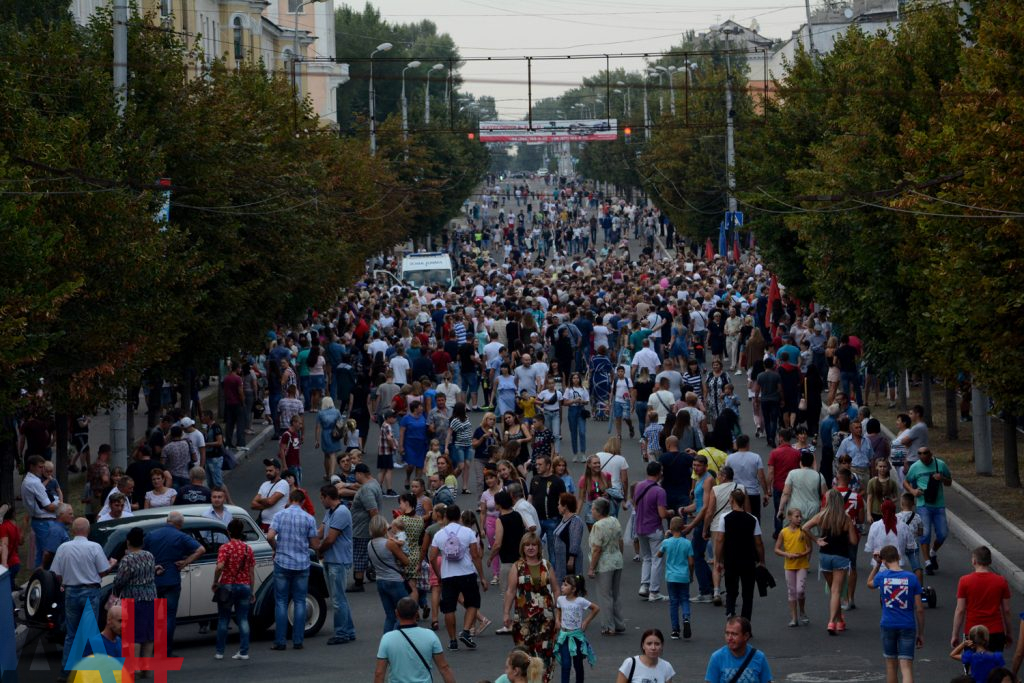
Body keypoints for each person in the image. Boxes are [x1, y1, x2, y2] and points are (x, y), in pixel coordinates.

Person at [51, 517, 117, 675]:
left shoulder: (63, 548)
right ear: (88, 530)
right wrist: (112, 565)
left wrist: (65, 583)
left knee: (71, 633)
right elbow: (103, 571)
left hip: (70, 592)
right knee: (90, 631)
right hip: (90, 591)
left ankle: (66, 671)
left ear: (73, 530)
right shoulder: (94, 547)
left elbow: (56, 573)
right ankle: (92, 670)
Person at [428, 504, 488, 651]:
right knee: (473, 603)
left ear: (446, 517)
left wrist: (439, 574)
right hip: (466, 573)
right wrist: (482, 576)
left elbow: (432, 557)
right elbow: (475, 556)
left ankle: (453, 640)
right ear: (459, 518)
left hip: (448, 575)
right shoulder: (467, 532)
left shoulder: (439, 535)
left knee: (449, 609)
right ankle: (466, 631)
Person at [267, 489, 320, 651]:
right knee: (300, 601)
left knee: (281, 601)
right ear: (303, 502)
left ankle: (280, 641)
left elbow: (270, 536)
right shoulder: (309, 518)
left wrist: (277, 548)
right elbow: (315, 544)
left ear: (289, 499)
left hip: (282, 561)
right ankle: (298, 640)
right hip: (302, 563)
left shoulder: (279, 516)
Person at [144, 510, 204, 653]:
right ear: (180, 524)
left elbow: (143, 554)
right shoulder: (181, 536)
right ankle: (165, 650)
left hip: (155, 580)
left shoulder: (152, 535)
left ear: (167, 520)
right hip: (172, 580)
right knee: (169, 616)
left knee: (155, 615)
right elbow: (201, 549)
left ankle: (152, 648)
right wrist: (185, 562)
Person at [867, 545, 925, 683]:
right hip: (907, 625)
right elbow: (920, 609)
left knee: (891, 666)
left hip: (888, 624)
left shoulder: (882, 576)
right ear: (899, 557)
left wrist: (877, 565)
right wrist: (921, 633)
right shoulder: (911, 578)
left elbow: (869, 583)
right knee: (906, 667)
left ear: (884, 560)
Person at [803, 489, 857, 635]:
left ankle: (840, 620)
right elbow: (853, 540)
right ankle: (832, 621)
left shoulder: (822, 516)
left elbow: (805, 527)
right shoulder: (845, 518)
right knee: (836, 591)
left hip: (825, 556)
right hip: (841, 556)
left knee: (833, 589)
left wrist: (816, 540)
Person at [503, 533, 559, 674]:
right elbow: (510, 591)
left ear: (539, 547)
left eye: (534, 545)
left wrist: (559, 614)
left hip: (546, 618)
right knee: (524, 655)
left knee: (545, 653)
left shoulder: (547, 565)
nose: (530, 548)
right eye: (527, 545)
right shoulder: (517, 566)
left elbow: (556, 590)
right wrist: (506, 613)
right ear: (523, 547)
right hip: (523, 619)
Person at [373, 597, 457, 683]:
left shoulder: (387, 638)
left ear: (397, 613)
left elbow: (379, 673)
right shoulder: (430, 635)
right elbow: (444, 668)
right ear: (417, 613)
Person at [952, 546, 1014, 653]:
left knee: (974, 665)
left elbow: (960, 610)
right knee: (994, 666)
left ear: (974, 561)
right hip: (996, 630)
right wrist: (1008, 633)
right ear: (989, 561)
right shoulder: (1001, 581)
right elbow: (1006, 610)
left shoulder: (964, 581)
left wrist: (955, 634)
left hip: (973, 631)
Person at [716, 489, 766, 622]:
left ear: (731, 501)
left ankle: (730, 611)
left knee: (731, 588)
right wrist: (762, 561)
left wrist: (718, 560)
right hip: (748, 560)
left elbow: (720, 539)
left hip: (731, 559)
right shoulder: (752, 519)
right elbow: (758, 542)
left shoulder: (724, 518)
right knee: (748, 593)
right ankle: (745, 621)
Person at [317, 484, 356, 645]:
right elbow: (320, 532)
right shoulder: (330, 512)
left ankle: (341, 632)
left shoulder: (341, 512)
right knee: (339, 598)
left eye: (321, 498)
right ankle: (349, 630)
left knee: (338, 599)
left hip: (338, 560)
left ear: (327, 497)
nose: (321, 501)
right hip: (332, 559)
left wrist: (319, 550)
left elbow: (330, 538)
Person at [903, 446, 951, 575]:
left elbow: (949, 482)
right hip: (923, 504)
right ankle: (927, 562)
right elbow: (906, 482)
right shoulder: (915, 467)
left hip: (938, 504)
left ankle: (933, 552)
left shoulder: (940, 465)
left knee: (943, 533)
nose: (922, 455)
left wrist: (942, 478)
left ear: (931, 453)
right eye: (919, 453)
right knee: (925, 533)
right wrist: (913, 491)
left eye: (925, 453)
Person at [213, 518, 255, 660]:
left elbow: (219, 567)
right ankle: (244, 652)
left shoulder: (225, 547)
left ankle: (220, 652)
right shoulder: (247, 549)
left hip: (227, 585)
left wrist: (215, 581)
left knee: (223, 619)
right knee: (243, 619)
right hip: (244, 586)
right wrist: (252, 590)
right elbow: (251, 572)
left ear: (228, 532)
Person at [587, 498, 625, 636]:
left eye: (593, 508)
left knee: (604, 596)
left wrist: (591, 567)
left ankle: (609, 626)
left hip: (604, 564)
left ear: (598, 511)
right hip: (616, 560)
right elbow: (620, 540)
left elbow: (597, 549)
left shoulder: (598, 526)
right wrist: (620, 555)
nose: (591, 511)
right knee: (615, 594)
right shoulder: (615, 520)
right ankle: (619, 623)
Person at [634, 461, 670, 602]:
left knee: (647, 557)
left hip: (640, 526)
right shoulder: (660, 491)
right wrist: (670, 512)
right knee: (657, 558)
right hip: (654, 528)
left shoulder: (639, 486)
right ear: (659, 473)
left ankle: (644, 585)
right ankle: (654, 591)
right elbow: (662, 513)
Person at [367, 515, 410, 633]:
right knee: (404, 614)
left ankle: (387, 640)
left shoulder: (370, 544)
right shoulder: (389, 544)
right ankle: (399, 639)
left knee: (390, 616)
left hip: (380, 580)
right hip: (394, 580)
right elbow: (406, 561)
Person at [553, 574, 598, 683]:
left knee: (578, 664)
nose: (562, 587)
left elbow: (596, 608)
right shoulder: (560, 599)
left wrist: (586, 621)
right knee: (566, 664)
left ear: (573, 589)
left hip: (577, 637)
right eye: (562, 584)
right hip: (564, 636)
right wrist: (557, 620)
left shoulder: (580, 601)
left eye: (565, 585)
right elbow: (558, 609)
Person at [703, 616, 773, 683]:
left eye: (734, 634)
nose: (729, 638)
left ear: (746, 636)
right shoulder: (717, 658)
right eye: (727, 633)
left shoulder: (759, 657)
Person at [658, 516, 695, 640]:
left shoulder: (667, 542)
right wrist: (691, 574)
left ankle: (675, 630)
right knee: (685, 599)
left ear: (670, 528)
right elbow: (691, 562)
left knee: (673, 602)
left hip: (671, 576)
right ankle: (686, 617)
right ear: (683, 527)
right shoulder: (687, 543)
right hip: (683, 575)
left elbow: (659, 554)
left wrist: (665, 537)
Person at [774, 508, 811, 627]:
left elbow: (809, 548)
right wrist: (787, 554)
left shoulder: (803, 531)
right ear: (789, 518)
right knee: (792, 591)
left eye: (800, 516)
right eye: (796, 516)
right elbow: (777, 549)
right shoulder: (784, 532)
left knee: (800, 590)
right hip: (789, 565)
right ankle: (794, 618)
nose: (799, 519)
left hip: (802, 565)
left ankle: (802, 611)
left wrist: (803, 554)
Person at [350, 462, 383, 592]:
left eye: (355, 475)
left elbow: (373, 510)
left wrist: (376, 528)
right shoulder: (373, 483)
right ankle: (370, 572)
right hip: (366, 526)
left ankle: (358, 583)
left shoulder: (366, 489)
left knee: (359, 554)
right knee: (368, 553)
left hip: (362, 529)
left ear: (359, 474)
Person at [21, 455, 58, 568]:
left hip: (39, 520)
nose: (42, 470)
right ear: (32, 467)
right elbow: (48, 507)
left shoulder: (29, 480)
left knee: (41, 553)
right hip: (43, 521)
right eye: (40, 467)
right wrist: (63, 507)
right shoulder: (35, 483)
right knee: (48, 552)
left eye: (43, 467)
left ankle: (39, 575)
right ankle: (44, 577)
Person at [530, 455, 566, 563]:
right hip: (536, 521)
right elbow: (530, 498)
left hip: (552, 521)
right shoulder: (534, 479)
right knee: (533, 548)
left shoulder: (557, 481)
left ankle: (553, 576)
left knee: (552, 550)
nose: (537, 467)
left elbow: (563, 500)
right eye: (536, 464)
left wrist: (563, 519)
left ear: (548, 466)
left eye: (540, 464)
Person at [766, 429, 801, 538]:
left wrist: (768, 489)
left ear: (780, 438)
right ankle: (793, 531)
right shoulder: (797, 453)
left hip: (778, 486)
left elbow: (771, 472)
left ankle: (779, 533)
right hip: (792, 487)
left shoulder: (775, 452)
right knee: (793, 509)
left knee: (778, 510)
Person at [726, 434, 769, 521]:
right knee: (754, 519)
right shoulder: (756, 457)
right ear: (747, 444)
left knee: (737, 520)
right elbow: (761, 476)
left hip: (736, 493)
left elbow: (726, 475)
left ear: (737, 444)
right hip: (753, 492)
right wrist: (765, 492)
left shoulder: (729, 458)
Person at [552, 493, 585, 584]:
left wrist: (571, 558)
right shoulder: (564, 519)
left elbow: (575, 541)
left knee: (572, 584)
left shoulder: (576, 521)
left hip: (569, 561)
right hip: (561, 560)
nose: (557, 506)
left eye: (559, 504)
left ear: (565, 506)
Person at [251, 458, 290, 532]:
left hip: (277, 524)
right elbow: (253, 504)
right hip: (263, 524)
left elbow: (270, 502)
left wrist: (259, 500)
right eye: (266, 471)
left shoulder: (283, 483)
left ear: (278, 470)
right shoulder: (264, 484)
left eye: (270, 471)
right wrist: (266, 503)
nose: (268, 473)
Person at [315, 396, 344, 482]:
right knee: (333, 454)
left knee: (327, 455)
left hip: (325, 434)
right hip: (334, 433)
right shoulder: (337, 411)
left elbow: (318, 427)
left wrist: (317, 440)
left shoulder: (320, 413)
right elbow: (341, 422)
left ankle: (329, 474)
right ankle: (332, 474)